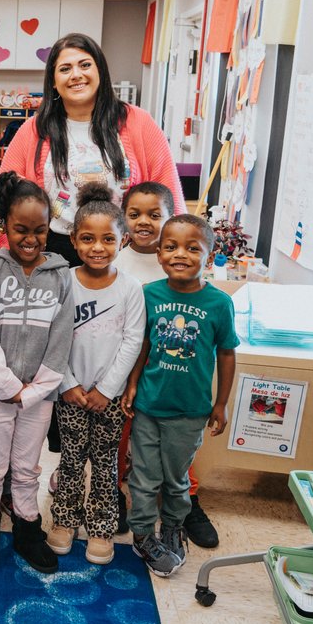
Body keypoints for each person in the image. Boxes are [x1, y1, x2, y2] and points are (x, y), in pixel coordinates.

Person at [0, 173, 76, 576]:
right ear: (3, 227)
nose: (30, 239)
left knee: (28, 469)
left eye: (40, 230)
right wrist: (9, 387)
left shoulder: (63, 275)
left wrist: (34, 391)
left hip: (39, 397)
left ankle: (28, 530)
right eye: (20, 230)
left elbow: (62, 340)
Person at [0, 32, 185, 266]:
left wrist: (175, 248)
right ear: (54, 82)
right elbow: (8, 198)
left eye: (85, 65)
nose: (76, 74)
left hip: (123, 251)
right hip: (52, 254)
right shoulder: (33, 130)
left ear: (100, 71)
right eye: (65, 69)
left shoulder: (138, 122)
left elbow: (168, 192)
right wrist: (10, 257)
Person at [123, 215, 238, 577]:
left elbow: (227, 353)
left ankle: (172, 527)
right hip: (147, 406)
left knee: (175, 478)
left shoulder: (219, 304)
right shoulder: (150, 294)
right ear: (158, 254)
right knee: (142, 477)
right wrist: (132, 384)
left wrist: (220, 402)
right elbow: (142, 344)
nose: (180, 255)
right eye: (170, 247)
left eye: (192, 248)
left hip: (189, 412)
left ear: (210, 253)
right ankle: (142, 534)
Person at [48, 185, 145, 565]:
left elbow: (133, 341)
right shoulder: (63, 280)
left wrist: (107, 389)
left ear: (122, 240)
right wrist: (68, 383)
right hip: (69, 392)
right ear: (73, 239)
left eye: (108, 239)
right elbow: (53, 338)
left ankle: (101, 527)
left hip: (111, 398)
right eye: (87, 239)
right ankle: (64, 521)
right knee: (71, 460)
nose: (98, 248)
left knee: (106, 463)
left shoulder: (130, 288)